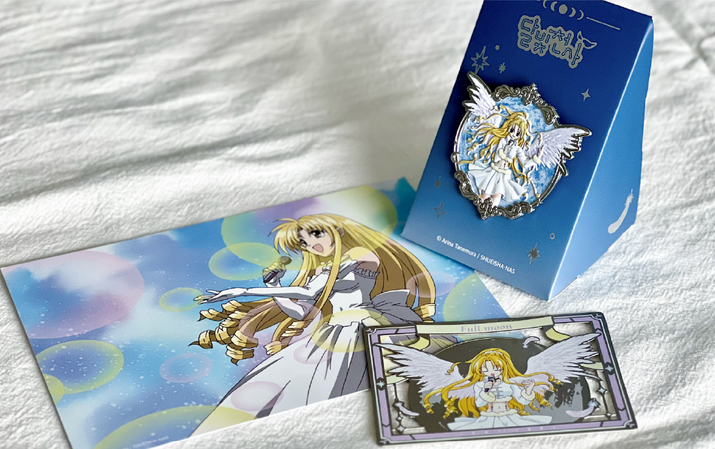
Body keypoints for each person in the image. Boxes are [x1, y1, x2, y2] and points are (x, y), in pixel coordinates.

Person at [191, 214, 436, 433]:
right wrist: (274, 287)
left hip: (361, 327)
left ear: (337, 231)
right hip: (332, 332)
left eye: (316, 234)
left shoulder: (361, 255)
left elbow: (308, 293)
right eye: (303, 243)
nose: (311, 245)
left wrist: (243, 291)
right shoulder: (323, 270)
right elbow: (299, 312)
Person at [424, 348, 554, 430]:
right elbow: (480, 403)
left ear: (503, 368)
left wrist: (528, 390)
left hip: (510, 415)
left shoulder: (509, 384)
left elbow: (523, 400)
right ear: (479, 370)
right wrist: (486, 391)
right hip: (488, 416)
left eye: (496, 368)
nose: (491, 372)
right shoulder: (480, 385)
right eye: (485, 369)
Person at [461, 111, 542, 207]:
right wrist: (506, 152)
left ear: (521, 135)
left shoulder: (517, 148)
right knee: (486, 192)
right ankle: (482, 208)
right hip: (494, 170)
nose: (513, 134)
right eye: (512, 130)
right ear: (508, 128)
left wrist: (536, 158)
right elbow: (498, 155)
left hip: (503, 174)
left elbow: (525, 163)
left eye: (517, 133)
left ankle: (491, 210)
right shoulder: (503, 141)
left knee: (497, 194)